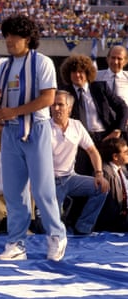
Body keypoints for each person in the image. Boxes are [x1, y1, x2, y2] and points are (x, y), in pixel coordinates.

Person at [0, 14, 67, 261]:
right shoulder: (4, 66)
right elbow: (3, 99)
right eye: (6, 36)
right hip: (11, 129)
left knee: (43, 189)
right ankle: (16, 242)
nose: (9, 41)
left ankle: (56, 235)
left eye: (14, 36)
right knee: (14, 192)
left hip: (37, 128)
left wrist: (14, 111)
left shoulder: (42, 63)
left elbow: (48, 98)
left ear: (28, 38)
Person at [50, 90, 109, 235]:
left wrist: (99, 174)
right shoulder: (43, 127)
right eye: (53, 105)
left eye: (60, 105)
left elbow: (92, 151)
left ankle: (83, 227)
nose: (56, 108)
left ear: (69, 108)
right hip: (49, 182)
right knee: (50, 229)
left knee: (102, 188)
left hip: (70, 178)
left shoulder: (76, 125)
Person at [59, 54, 128, 176]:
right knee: (83, 173)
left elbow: (122, 107)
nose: (77, 75)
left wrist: (118, 129)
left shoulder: (100, 87)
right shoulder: (64, 92)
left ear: (87, 73)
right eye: (73, 72)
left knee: (112, 173)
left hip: (105, 137)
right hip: (80, 138)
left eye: (81, 71)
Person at [95, 138, 128, 232]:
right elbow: (108, 207)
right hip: (116, 220)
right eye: (126, 152)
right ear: (115, 156)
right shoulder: (106, 173)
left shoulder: (122, 168)